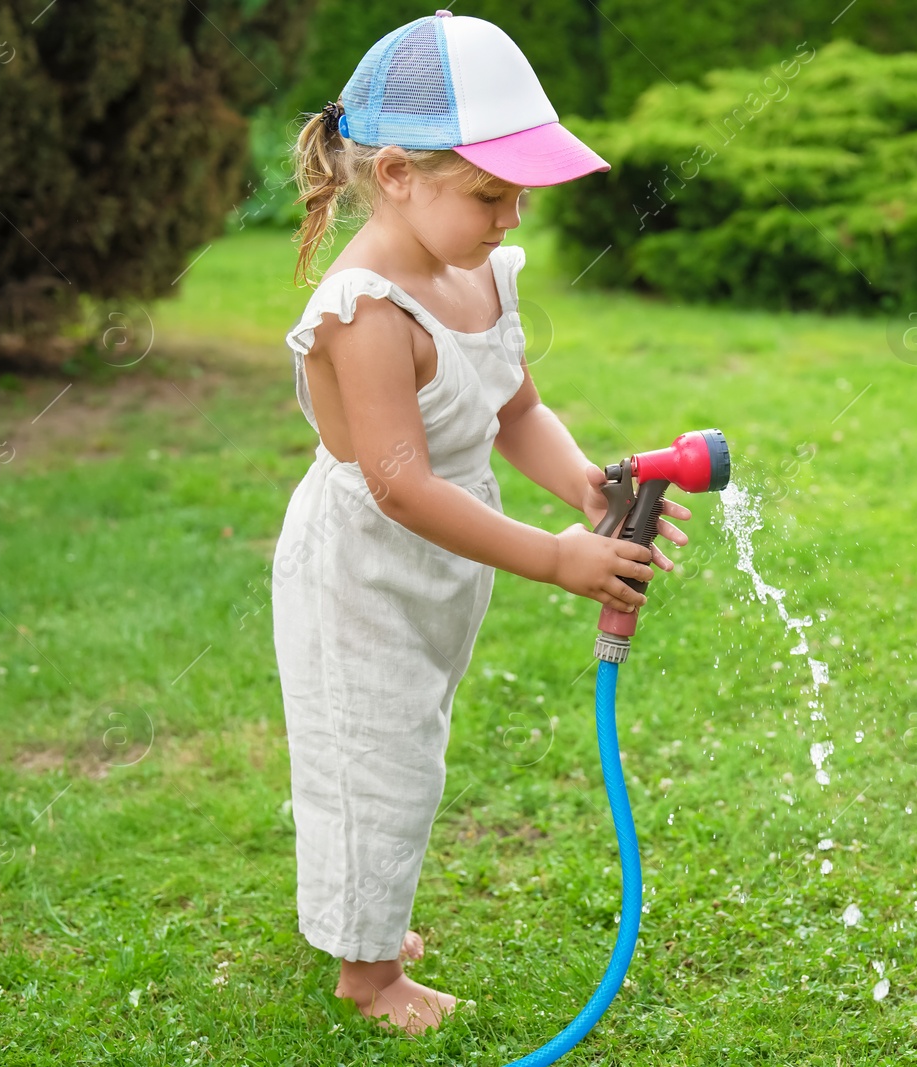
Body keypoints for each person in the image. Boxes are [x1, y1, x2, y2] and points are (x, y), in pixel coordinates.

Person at [271, 10, 689, 1035]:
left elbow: (515, 410)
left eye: (519, 197)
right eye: (491, 194)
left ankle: (363, 916)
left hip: (443, 564)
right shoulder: (366, 307)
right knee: (374, 754)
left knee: (412, 744)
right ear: (400, 175)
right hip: (362, 568)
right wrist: (558, 558)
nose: (511, 220)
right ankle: (367, 974)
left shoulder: (475, 274)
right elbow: (401, 483)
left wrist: (587, 488)